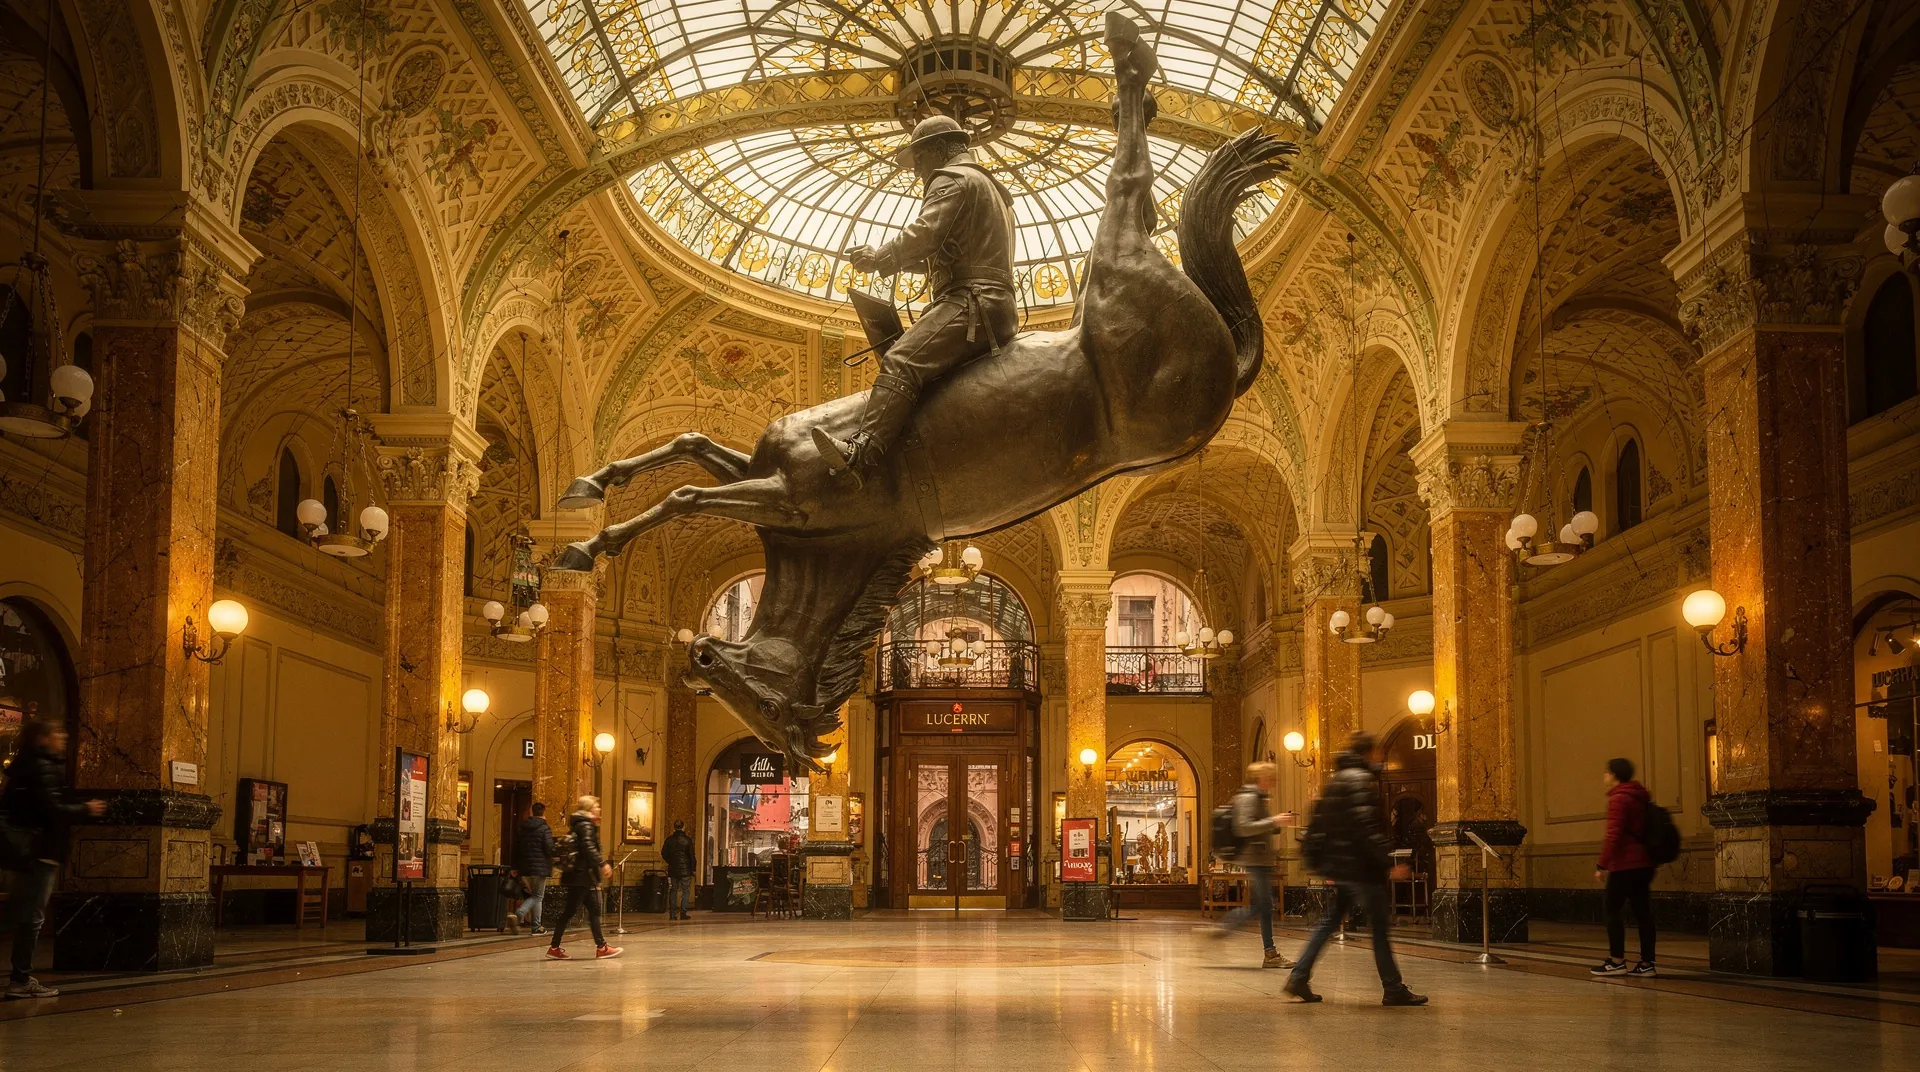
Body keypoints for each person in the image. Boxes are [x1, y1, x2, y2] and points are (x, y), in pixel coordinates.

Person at [811, 114, 1017, 488]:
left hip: (971, 303)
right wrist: (903, 267)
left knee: (901, 360)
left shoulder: (952, 178)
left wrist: (879, 257)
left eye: (919, 161)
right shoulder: (993, 189)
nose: (917, 172)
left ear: (937, 150)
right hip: (995, 303)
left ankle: (861, 455)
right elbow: (952, 250)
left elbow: (924, 234)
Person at [1286, 731, 1426, 1006]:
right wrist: (1388, 864)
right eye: (1377, 752)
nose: (1380, 757)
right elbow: (1365, 828)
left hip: (1340, 867)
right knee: (1380, 928)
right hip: (1361, 868)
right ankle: (1393, 988)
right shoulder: (1360, 781)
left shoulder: (1336, 781)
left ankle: (1300, 976)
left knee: (1328, 923)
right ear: (1368, 753)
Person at [1, 720, 105, 999]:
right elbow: (51, 809)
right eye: (57, 732)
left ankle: (20, 978)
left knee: (20, 914)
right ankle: (20, 980)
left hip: (27, 850)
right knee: (28, 917)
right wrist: (86, 808)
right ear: (42, 739)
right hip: (39, 851)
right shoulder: (43, 766)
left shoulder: (25, 766)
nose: (63, 736)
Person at [1208, 761, 1292, 968]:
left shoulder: (1258, 798)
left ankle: (1269, 952)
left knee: (1264, 907)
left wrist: (1274, 826)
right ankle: (1225, 928)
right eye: (1271, 778)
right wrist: (1274, 822)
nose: (1274, 782)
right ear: (1261, 778)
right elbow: (1243, 828)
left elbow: (1256, 827)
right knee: (1263, 906)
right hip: (1255, 859)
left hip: (1261, 858)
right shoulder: (1249, 798)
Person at [1592, 757, 1656, 978]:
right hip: (1644, 863)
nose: (1604, 776)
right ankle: (1647, 963)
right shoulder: (1639, 796)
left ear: (1614, 775)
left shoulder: (1619, 799)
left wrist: (1602, 864)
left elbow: (1614, 835)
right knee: (1643, 913)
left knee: (1611, 909)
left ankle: (1617, 960)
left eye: (1606, 772)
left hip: (1625, 865)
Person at [545, 796, 621, 960]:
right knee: (570, 911)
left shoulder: (578, 824)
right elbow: (588, 846)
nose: (599, 809)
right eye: (596, 806)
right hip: (581, 877)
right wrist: (603, 863)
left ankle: (601, 947)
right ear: (589, 809)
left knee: (593, 909)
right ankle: (554, 947)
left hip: (580, 876)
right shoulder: (586, 825)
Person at [510, 801, 557, 934]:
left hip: (524, 868)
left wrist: (514, 866)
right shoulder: (544, 828)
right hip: (539, 868)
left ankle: (536, 927)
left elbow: (516, 848)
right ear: (543, 813)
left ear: (532, 812)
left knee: (535, 896)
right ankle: (519, 913)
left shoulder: (522, 827)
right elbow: (549, 848)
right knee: (537, 896)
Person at [662, 819, 695, 921]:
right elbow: (691, 856)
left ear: (674, 827)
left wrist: (671, 862)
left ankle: (672, 914)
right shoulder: (688, 840)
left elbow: (663, 853)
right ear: (683, 827)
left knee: (673, 891)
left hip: (673, 870)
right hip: (686, 870)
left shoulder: (669, 840)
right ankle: (683, 913)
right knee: (686, 891)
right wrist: (693, 868)